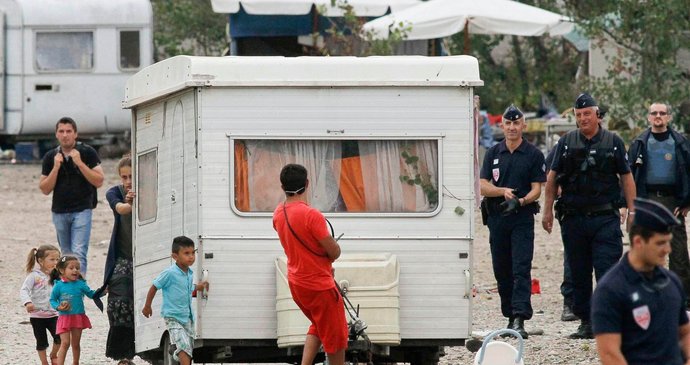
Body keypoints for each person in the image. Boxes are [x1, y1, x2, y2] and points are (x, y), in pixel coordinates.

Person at [542, 93, 636, 339]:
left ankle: (608, 321)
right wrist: (547, 209)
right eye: (579, 115)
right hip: (574, 219)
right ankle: (586, 321)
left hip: (604, 218)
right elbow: (551, 177)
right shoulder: (565, 142)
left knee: (606, 270)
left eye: (587, 114)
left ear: (597, 115)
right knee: (579, 272)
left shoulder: (613, 142)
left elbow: (626, 177)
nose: (583, 118)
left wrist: (633, 210)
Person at [592, 198, 690, 364]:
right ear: (638, 242)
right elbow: (609, 353)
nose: (667, 249)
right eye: (660, 243)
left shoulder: (671, 282)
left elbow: (685, 332)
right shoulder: (611, 289)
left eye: (668, 242)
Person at [479, 105, 546, 338]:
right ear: (502, 125)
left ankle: (519, 317)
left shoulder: (533, 154)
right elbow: (483, 184)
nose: (512, 127)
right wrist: (502, 192)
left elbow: (538, 189)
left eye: (516, 123)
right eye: (508, 123)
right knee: (502, 269)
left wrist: (521, 201)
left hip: (521, 219)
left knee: (520, 268)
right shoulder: (493, 153)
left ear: (523, 126)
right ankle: (509, 315)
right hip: (497, 218)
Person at [272, 164, 348, 365]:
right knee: (336, 337)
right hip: (320, 286)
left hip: (297, 284)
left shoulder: (278, 214)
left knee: (318, 323)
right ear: (307, 184)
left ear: (282, 186)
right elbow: (334, 252)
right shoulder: (311, 215)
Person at [627, 102, 690, 301]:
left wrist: (687, 201)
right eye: (654, 113)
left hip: (674, 201)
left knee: (678, 250)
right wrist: (628, 205)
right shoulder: (640, 142)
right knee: (647, 246)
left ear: (669, 117)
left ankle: (682, 296)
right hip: (648, 199)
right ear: (648, 117)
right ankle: (648, 292)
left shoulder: (679, 142)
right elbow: (628, 174)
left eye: (662, 113)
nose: (658, 116)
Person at [39, 117, 104, 275]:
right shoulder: (51, 156)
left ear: (75, 134)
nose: (65, 135)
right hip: (59, 211)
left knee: (79, 252)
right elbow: (45, 189)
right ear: (56, 134)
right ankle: (68, 290)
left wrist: (80, 163)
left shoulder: (87, 152)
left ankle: (78, 290)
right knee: (66, 253)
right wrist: (55, 168)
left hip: (82, 210)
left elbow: (99, 180)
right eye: (61, 131)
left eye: (69, 131)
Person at [142, 236, 209, 365]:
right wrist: (147, 306)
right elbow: (154, 286)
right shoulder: (170, 273)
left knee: (188, 349)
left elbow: (186, 289)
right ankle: (177, 350)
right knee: (184, 347)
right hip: (173, 317)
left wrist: (199, 287)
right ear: (175, 256)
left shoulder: (189, 273)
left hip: (188, 318)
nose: (191, 257)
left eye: (192, 253)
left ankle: (174, 350)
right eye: (186, 253)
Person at [100, 156, 136, 360]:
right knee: (118, 302)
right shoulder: (115, 192)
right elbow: (120, 209)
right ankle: (123, 355)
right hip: (123, 256)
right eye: (124, 177)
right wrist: (128, 202)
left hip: (146, 255)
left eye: (131, 175)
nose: (128, 180)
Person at [49, 255, 102, 365]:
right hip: (64, 317)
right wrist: (58, 307)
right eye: (71, 268)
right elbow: (52, 299)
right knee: (65, 343)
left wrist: (103, 291)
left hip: (78, 317)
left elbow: (92, 294)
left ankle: (75, 362)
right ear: (62, 270)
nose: (75, 270)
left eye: (77, 268)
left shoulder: (81, 284)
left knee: (76, 344)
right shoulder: (58, 285)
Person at [544, 147, 577, 322]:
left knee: (602, 259)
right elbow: (549, 173)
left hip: (600, 209)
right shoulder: (565, 145)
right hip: (571, 210)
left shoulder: (609, 142)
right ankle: (570, 302)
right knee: (572, 256)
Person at [20, 245, 61, 365]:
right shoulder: (33, 276)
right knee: (41, 342)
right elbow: (24, 290)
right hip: (37, 316)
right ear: (40, 261)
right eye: (52, 259)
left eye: (57, 259)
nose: (55, 262)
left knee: (60, 338)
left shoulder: (57, 275)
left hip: (54, 314)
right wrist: (27, 302)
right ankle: (44, 362)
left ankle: (54, 355)